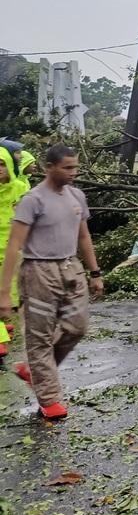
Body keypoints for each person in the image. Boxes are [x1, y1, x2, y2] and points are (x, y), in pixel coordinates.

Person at [0, 144, 104, 420]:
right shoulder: (33, 200)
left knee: (77, 327)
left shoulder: (77, 196)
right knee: (40, 337)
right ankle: (49, 400)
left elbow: (84, 237)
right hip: (38, 271)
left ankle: (34, 372)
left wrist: (95, 272)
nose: (74, 173)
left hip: (71, 267)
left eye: (76, 167)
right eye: (67, 168)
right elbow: (14, 245)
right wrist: (4, 293)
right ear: (50, 168)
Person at [0, 145, 28, 366]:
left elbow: (27, 220)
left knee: (13, 296)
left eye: (2, 164)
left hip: (13, 251)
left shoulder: (19, 188)